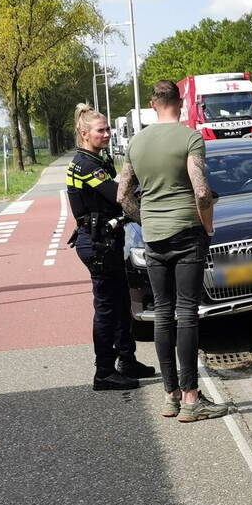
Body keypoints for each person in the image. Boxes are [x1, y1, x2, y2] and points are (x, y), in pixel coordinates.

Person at [117, 80, 228, 423]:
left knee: (162, 314)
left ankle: (170, 397)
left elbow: (122, 195)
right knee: (187, 313)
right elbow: (202, 191)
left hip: (154, 236)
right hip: (187, 233)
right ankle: (193, 399)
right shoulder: (190, 137)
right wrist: (207, 225)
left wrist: (146, 219)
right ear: (179, 103)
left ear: (153, 104)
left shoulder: (136, 143)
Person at [66, 104, 156, 391]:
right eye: (101, 131)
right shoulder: (85, 165)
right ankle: (103, 372)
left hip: (106, 240)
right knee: (106, 309)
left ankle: (126, 361)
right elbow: (117, 194)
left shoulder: (96, 159)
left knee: (120, 304)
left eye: (107, 129)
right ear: (84, 133)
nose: (107, 134)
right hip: (97, 244)